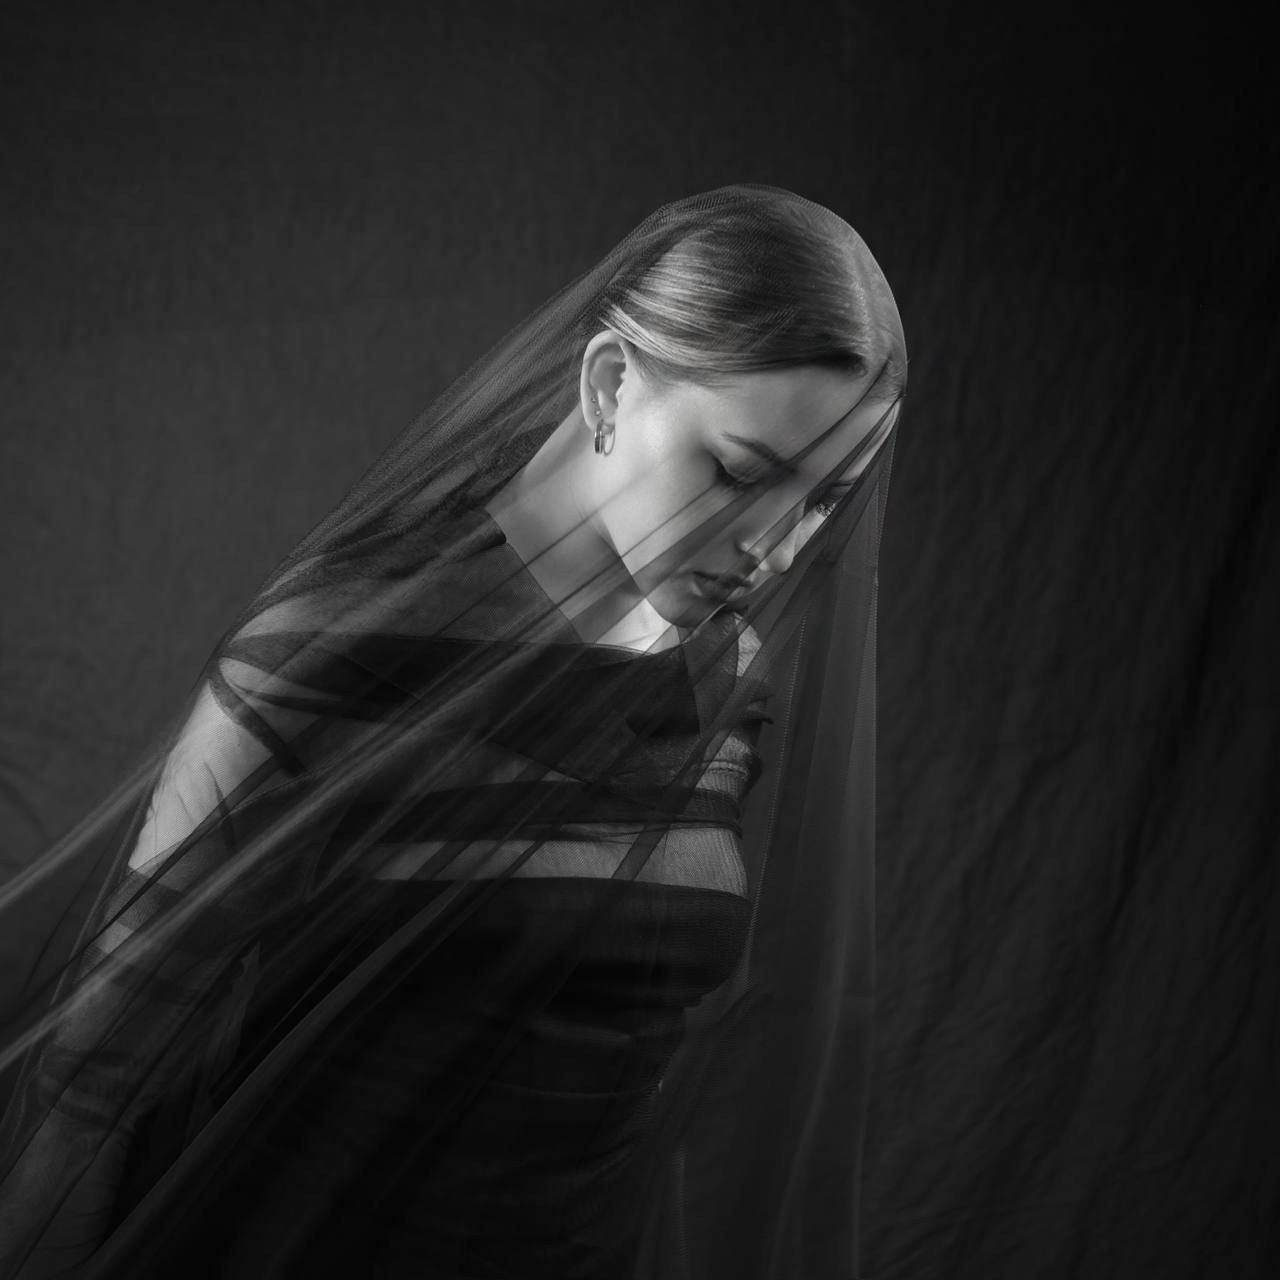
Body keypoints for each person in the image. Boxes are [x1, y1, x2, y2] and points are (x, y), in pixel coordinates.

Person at [0, 182, 906, 1278]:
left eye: (823, 501)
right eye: (740, 473)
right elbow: (101, 1075)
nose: (774, 545)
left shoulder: (725, 680)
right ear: (610, 384)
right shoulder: (338, 655)